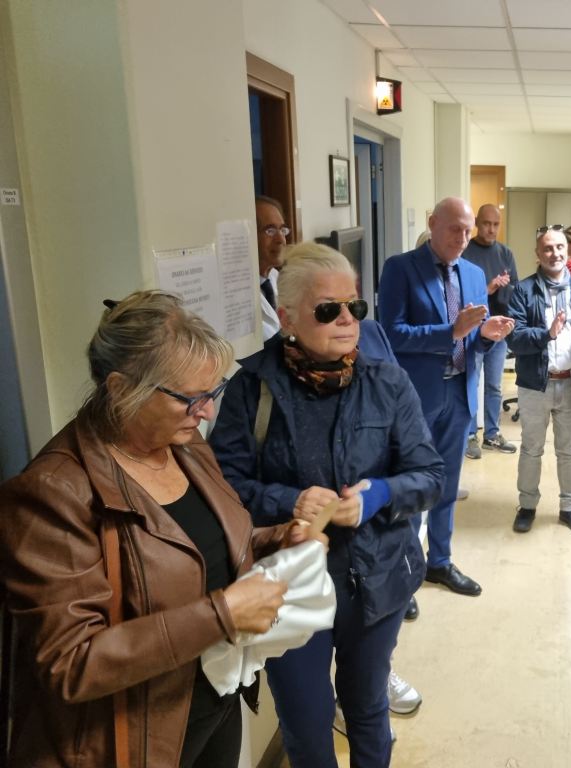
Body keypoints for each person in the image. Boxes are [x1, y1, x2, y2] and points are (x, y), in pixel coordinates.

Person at [0, 290, 315, 767]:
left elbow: (205, 551)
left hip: (214, 700)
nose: (207, 412)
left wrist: (278, 539)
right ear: (120, 388)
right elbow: (71, 662)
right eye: (190, 398)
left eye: (213, 392)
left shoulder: (185, 447)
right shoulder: (54, 493)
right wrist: (221, 616)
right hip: (136, 738)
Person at [209, 243, 445, 768]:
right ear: (288, 318)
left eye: (354, 306)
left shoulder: (388, 382)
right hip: (289, 583)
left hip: (377, 577)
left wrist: (378, 496)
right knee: (306, 720)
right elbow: (222, 486)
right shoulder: (251, 389)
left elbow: (430, 475)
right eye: (327, 309)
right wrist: (288, 500)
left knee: (366, 707)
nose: (346, 319)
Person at [378, 197, 514, 597]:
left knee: (447, 485)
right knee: (410, 487)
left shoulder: (473, 274)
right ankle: (405, 573)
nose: (463, 238)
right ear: (432, 222)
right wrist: (450, 332)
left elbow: (473, 339)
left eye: (468, 231)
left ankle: (439, 562)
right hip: (416, 398)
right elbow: (392, 334)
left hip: (459, 393)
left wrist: (485, 336)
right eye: (455, 229)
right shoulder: (401, 268)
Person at [507, 224, 571, 535]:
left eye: (560, 247)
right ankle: (527, 505)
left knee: (569, 450)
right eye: (548, 248)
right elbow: (514, 338)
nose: (555, 253)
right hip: (534, 385)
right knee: (531, 449)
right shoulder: (523, 290)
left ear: (568, 250)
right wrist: (546, 334)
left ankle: (569, 508)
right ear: (538, 254)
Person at [462, 204, 519, 458]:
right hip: (474, 330)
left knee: (495, 385)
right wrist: (488, 288)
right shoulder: (466, 252)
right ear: (477, 222)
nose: (491, 229)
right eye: (486, 223)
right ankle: (469, 435)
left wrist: (505, 288)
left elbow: (516, 290)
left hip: (499, 331)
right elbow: (460, 295)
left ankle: (492, 434)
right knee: (472, 383)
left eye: (496, 224)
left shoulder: (505, 253)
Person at [256, 195, 291, 340]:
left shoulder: (275, 277)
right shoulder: (236, 292)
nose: (281, 240)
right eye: (270, 231)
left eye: (282, 230)